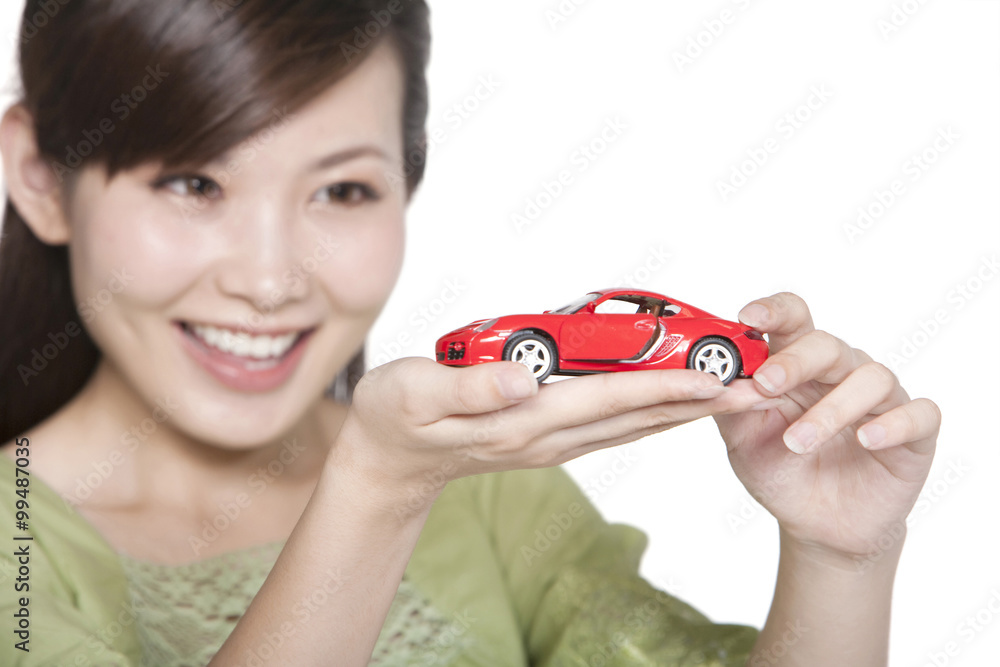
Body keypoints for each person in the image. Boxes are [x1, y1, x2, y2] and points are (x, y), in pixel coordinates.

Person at [0, 1, 941, 665]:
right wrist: (374, 491)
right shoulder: (17, 540)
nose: (267, 279)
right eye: (192, 184)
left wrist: (839, 557)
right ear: (42, 177)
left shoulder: (488, 491)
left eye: (342, 189)